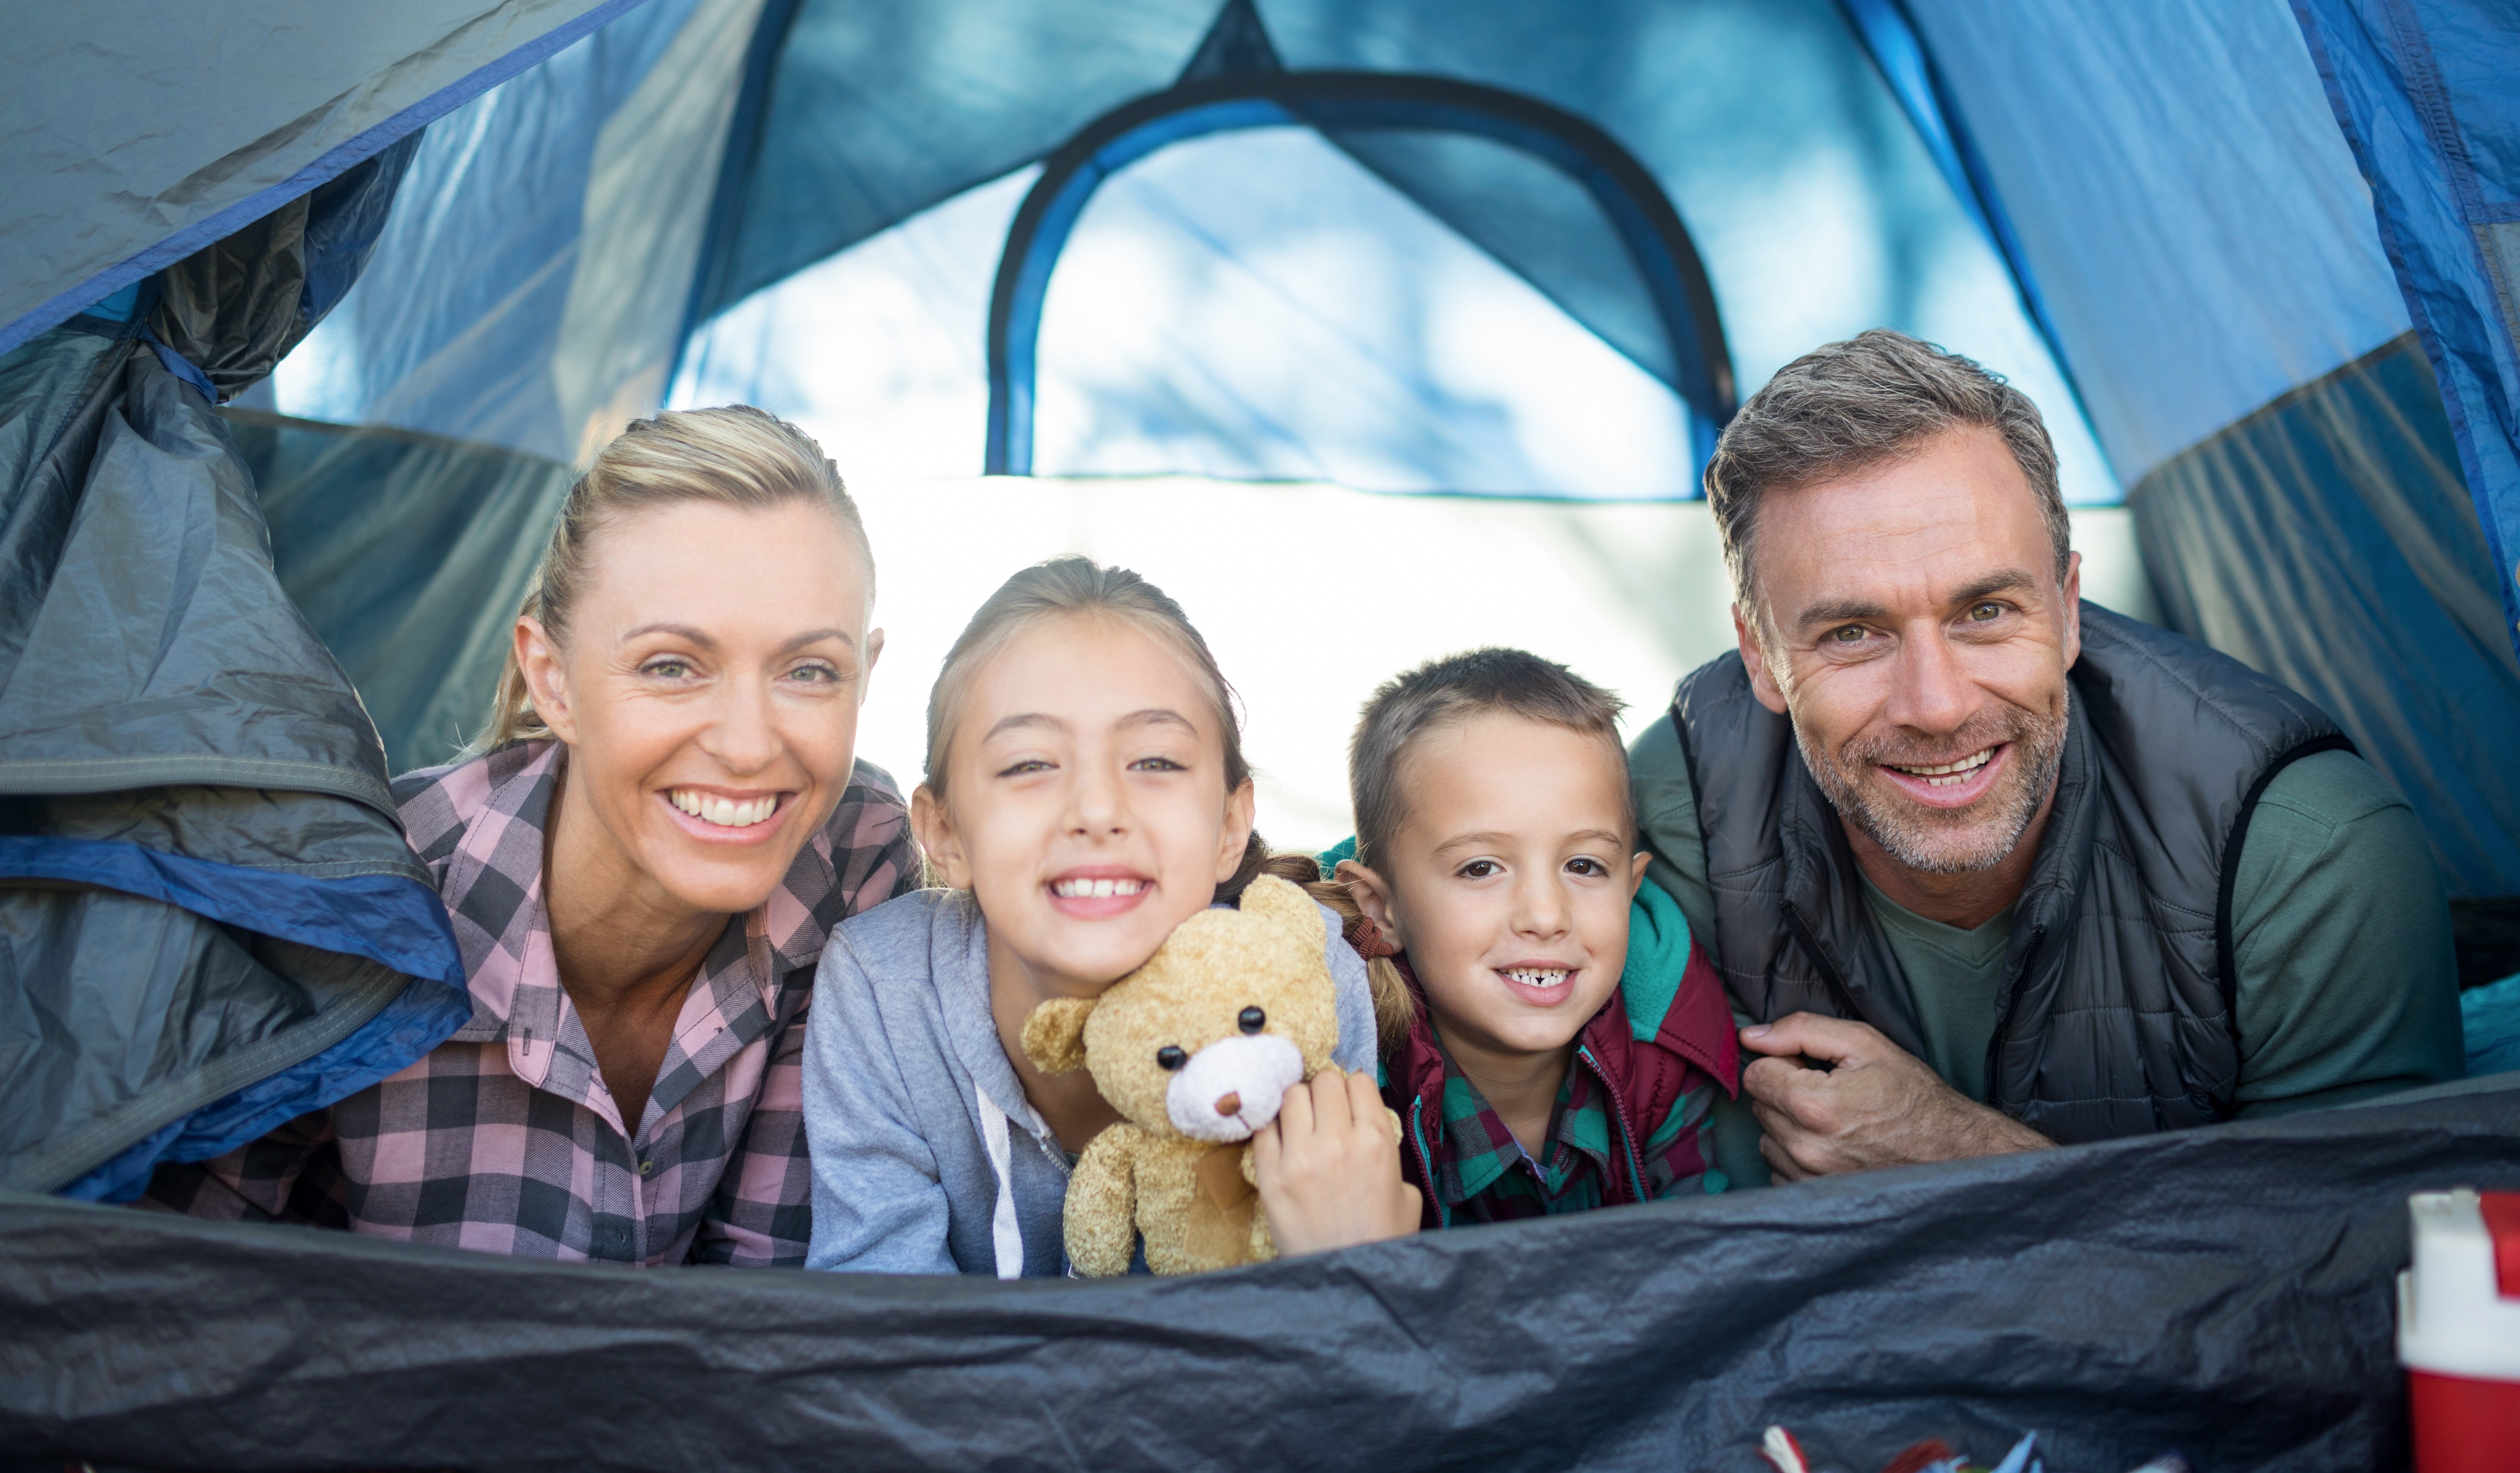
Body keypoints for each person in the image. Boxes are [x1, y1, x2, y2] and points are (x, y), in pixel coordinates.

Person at [1628, 330, 2462, 1185]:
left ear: (2068, 608)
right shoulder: (1671, 819)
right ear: (1760, 654)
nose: (1939, 703)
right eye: (1853, 632)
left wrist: (1963, 1157)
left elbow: (2359, 1262)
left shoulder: (2304, 847)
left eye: (1985, 611)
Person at [143, 406, 915, 1264]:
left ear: (865, 677)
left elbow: (770, 1294)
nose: (747, 743)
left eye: (809, 671)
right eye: (671, 666)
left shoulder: (854, 859)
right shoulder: (357, 901)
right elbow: (174, 1295)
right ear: (553, 680)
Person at [800, 556, 1418, 1276]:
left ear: (1229, 827)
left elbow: (1325, 1322)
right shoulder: (884, 987)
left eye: (1154, 762)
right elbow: (881, 1334)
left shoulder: (1303, 979)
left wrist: (1344, 1267)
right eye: (1029, 765)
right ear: (945, 834)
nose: (1097, 811)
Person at [1326, 648, 1738, 1226]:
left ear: (1630, 888)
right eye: (1481, 869)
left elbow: (1704, 1261)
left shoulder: (1660, 1053)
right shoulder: (1345, 1079)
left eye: (1586, 866)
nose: (1546, 917)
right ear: (1382, 909)